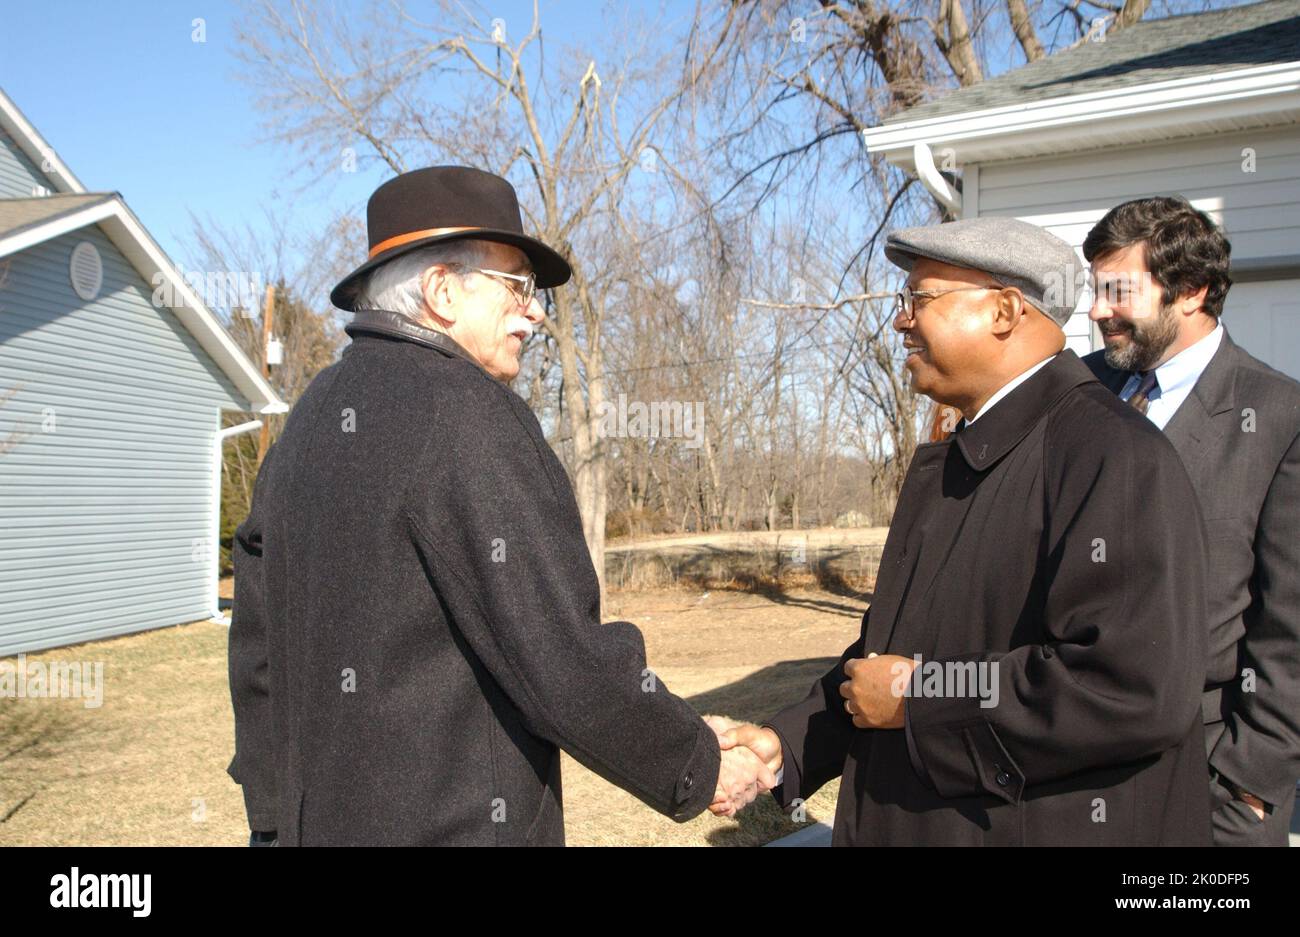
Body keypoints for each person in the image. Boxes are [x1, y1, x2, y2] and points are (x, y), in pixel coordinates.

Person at [227, 166, 772, 846]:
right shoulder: (467, 415)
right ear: (441, 291)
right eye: (516, 286)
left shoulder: (306, 424)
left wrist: (274, 822)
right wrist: (701, 763)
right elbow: (563, 659)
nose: (536, 310)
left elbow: (257, 661)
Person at [713, 217, 1211, 845]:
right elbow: (887, 657)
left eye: (919, 299)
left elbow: (1128, 686)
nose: (900, 321)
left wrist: (922, 696)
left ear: (1004, 310)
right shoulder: (967, 453)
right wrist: (785, 744)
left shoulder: (1112, 454)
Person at [1083, 196, 1300, 846]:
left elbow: (1290, 632)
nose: (1095, 310)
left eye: (1117, 290)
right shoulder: (1076, 390)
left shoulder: (1279, 417)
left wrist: (1248, 786)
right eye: (1094, 289)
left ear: (1192, 290)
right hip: (1064, 779)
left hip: (1203, 785)